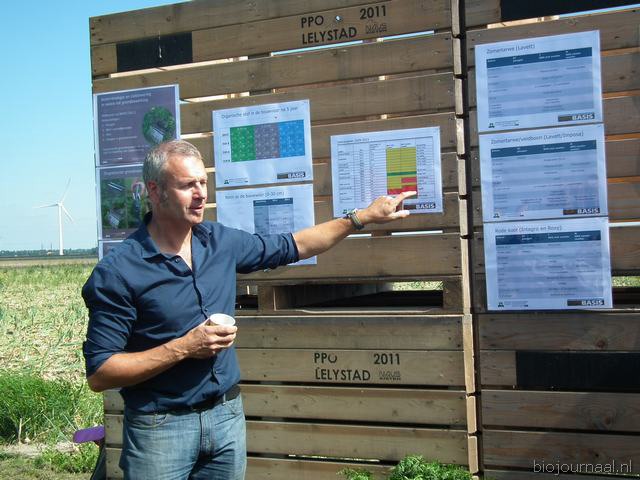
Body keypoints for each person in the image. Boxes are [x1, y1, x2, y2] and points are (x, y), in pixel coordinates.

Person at [82, 140, 415, 480]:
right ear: (155, 191)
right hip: (161, 429)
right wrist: (184, 347)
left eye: (203, 183)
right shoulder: (119, 271)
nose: (200, 194)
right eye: (187, 185)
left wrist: (361, 217)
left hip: (226, 417)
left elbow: (294, 245)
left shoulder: (219, 242)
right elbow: (101, 373)